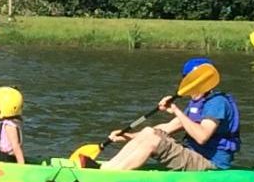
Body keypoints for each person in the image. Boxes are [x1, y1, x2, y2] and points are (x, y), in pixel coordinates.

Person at [97, 58, 240, 172]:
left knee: (153, 141)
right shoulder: (196, 104)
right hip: (194, 155)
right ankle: (108, 168)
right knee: (149, 132)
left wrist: (176, 109)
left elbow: (202, 137)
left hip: (210, 164)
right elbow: (167, 127)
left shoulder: (217, 103)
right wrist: (126, 136)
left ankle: (110, 175)